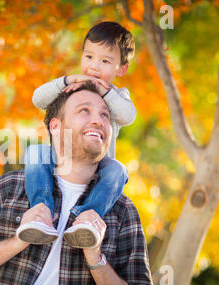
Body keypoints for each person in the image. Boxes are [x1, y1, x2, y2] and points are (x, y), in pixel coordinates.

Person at [0, 82, 154, 285]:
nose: (98, 120)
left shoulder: (122, 212)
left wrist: (95, 256)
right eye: (84, 110)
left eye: (105, 115)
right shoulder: (8, 188)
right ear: (55, 127)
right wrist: (19, 241)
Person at [17, 21, 136, 247]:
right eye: (89, 57)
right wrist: (68, 80)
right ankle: (42, 209)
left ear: (121, 69)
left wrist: (104, 91)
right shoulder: (72, 86)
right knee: (35, 152)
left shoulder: (117, 96)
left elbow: (128, 115)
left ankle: (87, 218)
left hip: (97, 165)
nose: (94, 66)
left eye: (105, 61)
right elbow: (38, 99)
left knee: (118, 170)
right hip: (60, 157)